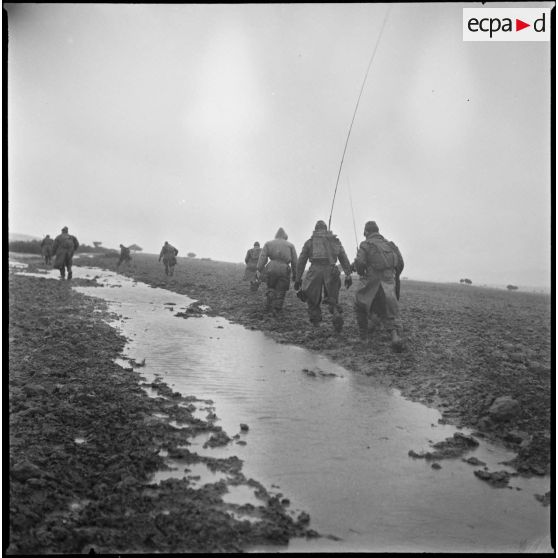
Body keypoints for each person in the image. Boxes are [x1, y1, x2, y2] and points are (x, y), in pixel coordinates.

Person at [293, 220, 353, 332]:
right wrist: (348, 274)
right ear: (326, 229)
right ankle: (335, 313)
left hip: (314, 271)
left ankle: (316, 325)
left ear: (315, 229)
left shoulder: (309, 242)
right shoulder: (335, 242)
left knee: (312, 299)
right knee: (333, 298)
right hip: (331, 270)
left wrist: (297, 279)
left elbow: (301, 261)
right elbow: (343, 257)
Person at [352, 221, 403, 350]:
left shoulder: (365, 244)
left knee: (360, 305)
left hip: (372, 282)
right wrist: (392, 278)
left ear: (367, 232)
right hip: (388, 282)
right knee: (388, 310)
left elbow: (360, 264)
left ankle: (364, 338)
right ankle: (395, 336)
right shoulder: (390, 245)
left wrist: (361, 271)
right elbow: (400, 264)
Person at [256, 228, 297, 317]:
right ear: (285, 236)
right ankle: (277, 309)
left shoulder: (268, 243)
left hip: (271, 267)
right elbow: (294, 261)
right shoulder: (290, 245)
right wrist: (295, 275)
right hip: (284, 268)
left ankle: (269, 304)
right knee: (281, 290)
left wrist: (260, 269)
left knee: (271, 286)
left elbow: (262, 257)